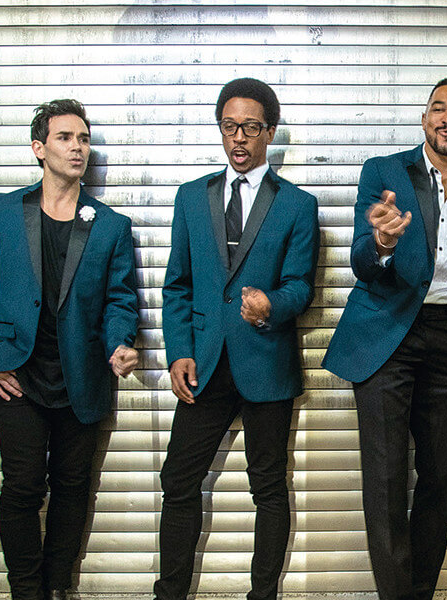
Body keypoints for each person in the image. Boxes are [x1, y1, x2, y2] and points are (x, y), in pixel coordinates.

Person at [321, 74, 447, 600]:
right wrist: (381, 242)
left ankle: (419, 591)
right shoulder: (383, 172)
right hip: (388, 336)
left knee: (442, 476)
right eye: (439, 108)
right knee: (385, 479)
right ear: (425, 120)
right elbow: (361, 262)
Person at [0, 98, 140, 600]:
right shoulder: (2, 211)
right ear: (39, 148)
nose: (77, 147)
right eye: (65, 138)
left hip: (81, 377)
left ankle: (58, 587)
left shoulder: (110, 225)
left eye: (83, 139)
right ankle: (26, 591)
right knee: (21, 486)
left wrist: (120, 344)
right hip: (19, 376)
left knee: (71, 487)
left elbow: (120, 299)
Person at [156, 77, 319, 600]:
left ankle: (262, 596)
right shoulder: (191, 197)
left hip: (265, 363)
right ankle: (169, 594)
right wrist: (179, 352)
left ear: (270, 132)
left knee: (268, 488)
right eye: (230, 127)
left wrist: (272, 304)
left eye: (250, 127)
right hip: (203, 365)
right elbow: (177, 285)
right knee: (178, 481)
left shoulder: (297, 204)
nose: (239, 138)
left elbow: (301, 286)